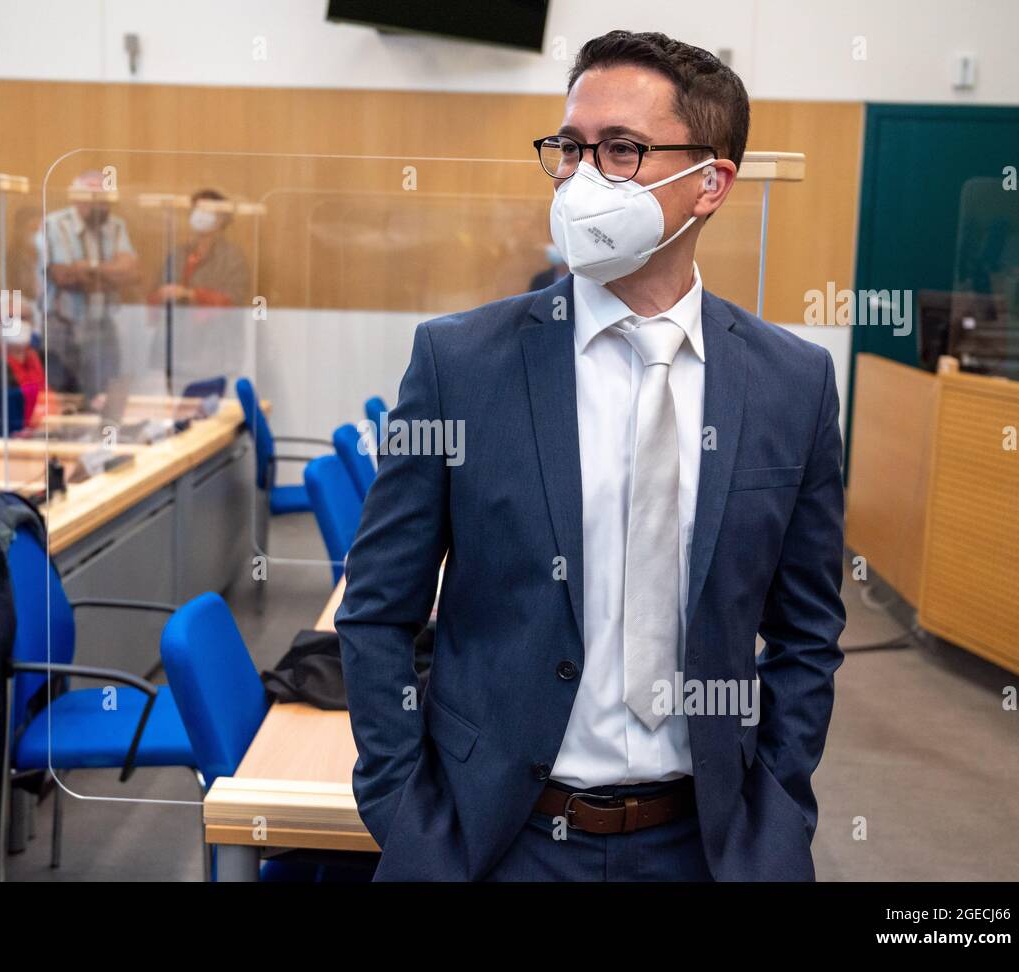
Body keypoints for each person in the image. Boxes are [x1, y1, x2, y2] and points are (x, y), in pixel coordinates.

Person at [337, 30, 846, 882]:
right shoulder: (460, 364)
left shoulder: (792, 384)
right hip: (498, 841)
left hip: (707, 843)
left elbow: (807, 636)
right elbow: (377, 610)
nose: (581, 177)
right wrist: (411, 820)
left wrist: (778, 821)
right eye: (569, 148)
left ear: (710, 184)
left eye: (621, 150)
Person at [39, 170, 140, 399]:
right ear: (78, 199)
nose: (103, 207)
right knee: (63, 395)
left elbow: (132, 273)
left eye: (106, 201)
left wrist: (88, 267)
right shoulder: (54, 224)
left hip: (102, 323)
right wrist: (110, 272)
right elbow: (64, 276)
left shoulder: (115, 225)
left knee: (104, 394)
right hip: (62, 324)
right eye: (97, 201)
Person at [149, 189, 250, 308]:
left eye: (206, 211)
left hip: (217, 325)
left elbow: (234, 299)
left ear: (222, 218)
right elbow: (154, 296)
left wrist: (190, 294)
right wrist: (163, 294)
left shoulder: (232, 258)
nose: (200, 215)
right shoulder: (179, 253)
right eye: (196, 210)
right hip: (178, 323)